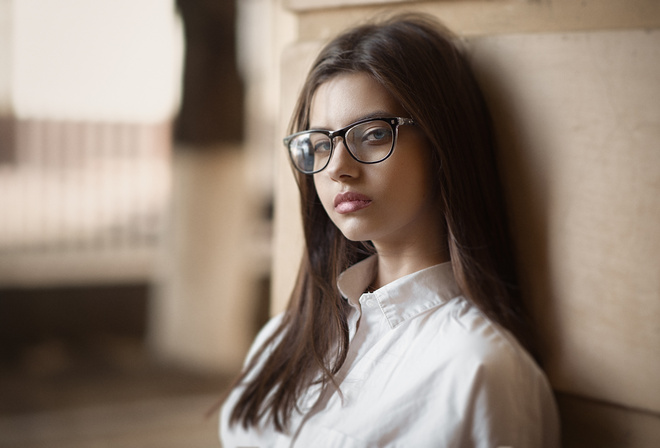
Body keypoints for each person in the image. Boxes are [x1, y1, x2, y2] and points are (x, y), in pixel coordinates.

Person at [220, 13, 560, 447]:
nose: (338, 168)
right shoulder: (285, 339)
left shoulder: (478, 370)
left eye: (374, 134)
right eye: (321, 144)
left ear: (441, 143)